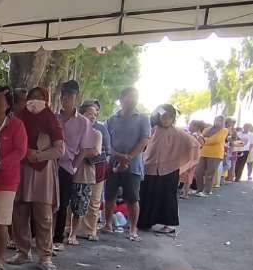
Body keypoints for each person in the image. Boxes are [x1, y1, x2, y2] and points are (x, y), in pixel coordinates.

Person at [12, 86, 65, 270]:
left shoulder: (52, 120)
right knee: (20, 211)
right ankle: (22, 251)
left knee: (43, 215)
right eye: (31, 97)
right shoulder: (19, 117)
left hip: (43, 172)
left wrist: (39, 156)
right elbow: (13, 141)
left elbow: (59, 149)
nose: (35, 100)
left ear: (46, 100)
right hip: (22, 168)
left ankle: (45, 256)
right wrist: (26, 153)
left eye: (39, 97)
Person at [137, 104, 199, 235]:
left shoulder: (178, 133)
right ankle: (144, 222)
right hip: (150, 168)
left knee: (168, 197)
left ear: (173, 119)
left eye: (169, 117)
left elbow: (194, 144)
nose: (166, 120)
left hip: (170, 170)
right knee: (147, 195)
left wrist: (186, 163)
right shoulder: (153, 130)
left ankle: (167, 225)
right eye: (163, 117)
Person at [0, 85, 27, 270]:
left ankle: (0, 259)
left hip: (7, 180)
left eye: (0, 99)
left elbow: (20, 151)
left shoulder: (16, 125)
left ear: (8, 104)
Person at [103, 86, 150, 242]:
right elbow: (106, 141)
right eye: (129, 96)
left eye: (135, 96)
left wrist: (128, 157)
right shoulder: (111, 119)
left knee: (132, 197)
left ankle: (133, 228)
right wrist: (118, 155)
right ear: (121, 99)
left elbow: (144, 140)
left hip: (134, 164)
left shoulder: (143, 119)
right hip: (113, 162)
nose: (132, 99)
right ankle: (107, 223)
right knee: (109, 195)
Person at [53, 80, 93, 249]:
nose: (66, 98)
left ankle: (57, 239)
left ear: (76, 97)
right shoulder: (54, 117)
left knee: (63, 203)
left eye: (70, 95)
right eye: (64, 95)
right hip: (49, 163)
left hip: (67, 166)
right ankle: (41, 235)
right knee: (47, 202)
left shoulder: (83, 122)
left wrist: (75, 166)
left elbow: (84, 149)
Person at [75, 99, 110, 240]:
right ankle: (70, 228)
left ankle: (90, 230)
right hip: (78, 167)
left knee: (94, 201)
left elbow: (104, 151)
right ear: (81, 113)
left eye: (95, 114)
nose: (93, 116)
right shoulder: (75, 127)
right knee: (75, 199)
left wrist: (84, 152)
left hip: (97, 168)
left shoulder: (101, 130)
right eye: (89, 113)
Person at [194, 115, 228, 196]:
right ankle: (199, 189)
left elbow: (216, 140)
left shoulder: (224, 130)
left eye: (220, 120)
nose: (217, 122)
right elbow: (201, 137)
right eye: (216, 120)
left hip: (215, 154)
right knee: (198, 171)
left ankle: (207, 191)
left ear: (223, 122)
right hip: (203, 152)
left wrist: (204, 140)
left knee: (210, 173)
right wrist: (203, 140)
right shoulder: (207, 129)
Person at [179, 119, 207, 198]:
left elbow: (197, 145)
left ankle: (185, 192)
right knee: (187, 174)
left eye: (191, 125)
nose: (189, 126)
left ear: (195, 126)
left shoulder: (196, 135)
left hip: (192, 157)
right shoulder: (196, 135)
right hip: (192, 156)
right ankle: (185, 191)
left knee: (188, 174)